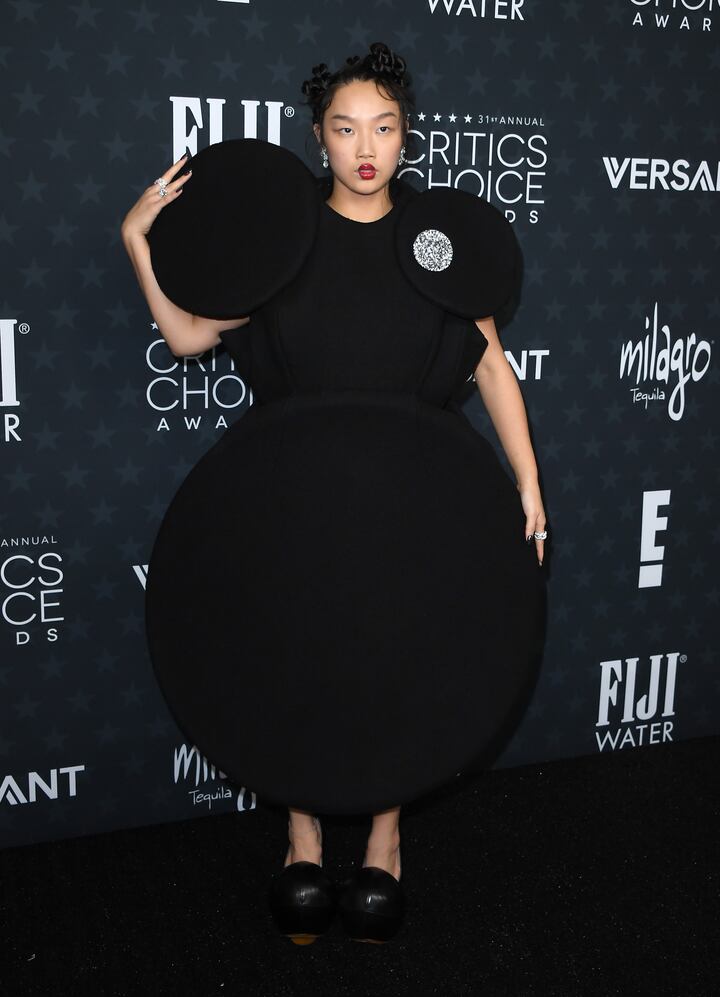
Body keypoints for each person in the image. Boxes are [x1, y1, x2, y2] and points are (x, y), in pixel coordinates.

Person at [120, 41, 548, 945]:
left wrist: (528, 480)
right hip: (291, 506)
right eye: (346, 128)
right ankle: (302, 835)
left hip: (413, 506)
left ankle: (386, 836)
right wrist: (136, 243)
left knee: (397, 653)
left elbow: (493, 366)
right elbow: (191, 337)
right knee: (296, 651)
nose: (365, 147)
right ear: (319, 136)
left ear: (407, 136)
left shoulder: (436, 241)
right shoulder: (285, 237)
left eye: (383, 128)